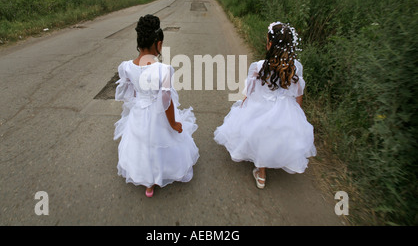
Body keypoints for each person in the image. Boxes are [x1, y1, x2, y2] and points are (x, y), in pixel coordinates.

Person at [214, 22, 316, 189]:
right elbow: (298, 94)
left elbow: (250, 92)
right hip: (286, 109)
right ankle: (274, 158)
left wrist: (243, 109)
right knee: (279, 133)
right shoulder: (296, 67)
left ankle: (261, 174)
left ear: (269, 44)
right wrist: (299, 115)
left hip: (261, 107)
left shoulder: (259, 66)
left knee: (260, 132)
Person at [114, 14, 199, 197]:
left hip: (139, 111)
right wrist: (173, 123)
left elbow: (129, 93)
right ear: (159, 44)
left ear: (139, 41)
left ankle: (148, 183)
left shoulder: (127, 67)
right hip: (159, 114)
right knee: (160, 142)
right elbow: (166, 102)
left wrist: (139, 102)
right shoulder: (164, 70)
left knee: (142, 143)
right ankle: (159, 175)